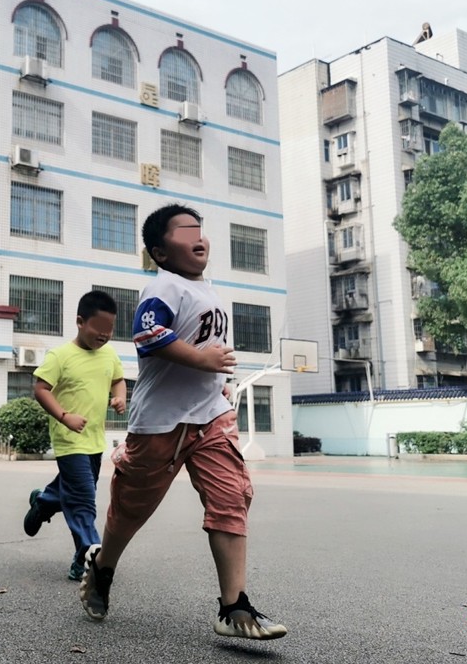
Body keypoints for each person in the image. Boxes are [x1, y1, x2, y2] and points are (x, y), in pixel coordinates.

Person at [78, 203, 287, 641]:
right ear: (160, 250)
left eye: (200, 229)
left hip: (212, 417)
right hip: (161, 424)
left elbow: (212, 348)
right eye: (185, 230)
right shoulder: (165, 287)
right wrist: (202, 360)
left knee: (232, 497)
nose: (199, 236)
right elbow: (148, 333)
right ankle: (103, 566)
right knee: (131, 509)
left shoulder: (211, 291)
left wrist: (220, 383)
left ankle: (234, 607)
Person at [22, 290, 126, 580]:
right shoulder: (60, 356)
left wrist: (120, 398)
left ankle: (43, 502)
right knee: (83, 499)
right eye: (98, 330)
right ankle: (89, 553)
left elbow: (118, 381)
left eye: (110, 331)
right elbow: (41, 389)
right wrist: (65, 417)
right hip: (69, 440)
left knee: (75, 489)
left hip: (94, 440)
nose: (104, 336)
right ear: (80, 321)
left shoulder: (109, 354)